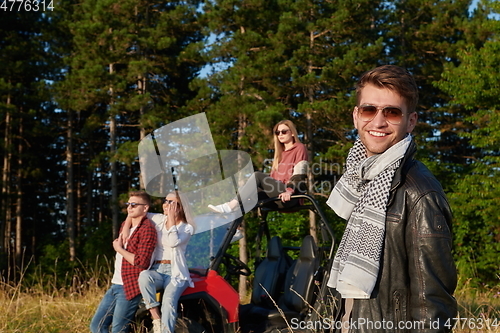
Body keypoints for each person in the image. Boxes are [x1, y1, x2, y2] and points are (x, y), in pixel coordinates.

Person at [326, 65, 457, 332]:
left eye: (392, 112)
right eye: (368, 110)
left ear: (411, 121)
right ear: (355, 116)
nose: (378, 122)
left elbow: (433, 306)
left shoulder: (419, 194)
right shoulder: (361, 181)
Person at [122, 191, 195, 333]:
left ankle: (165, 331)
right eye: (165, 201)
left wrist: (172, 220)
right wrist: (126, 228)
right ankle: (156, 319)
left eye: (171, 202)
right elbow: (135, 212)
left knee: (168, 302)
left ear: (180, 207)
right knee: (144, 276)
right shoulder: (159, 219)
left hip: (175, 272)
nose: (166, 205)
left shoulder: (187, 227)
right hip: (157, 269)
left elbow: (173, 242)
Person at [90, 191, 157, 333]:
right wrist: (126, 225)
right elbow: (130, 217)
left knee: (118, 329)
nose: (129, 208)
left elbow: (141, 262)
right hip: (116, 284)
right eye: (128, 204)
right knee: (97, 325)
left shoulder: (147, 229)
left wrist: (119, 249)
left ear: (145, 208)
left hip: (130, 285)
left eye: (134, 204)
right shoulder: (125, 226)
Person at [208, 119, 308, 213]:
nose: (280, 134)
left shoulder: (299, 148)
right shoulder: (279, 154)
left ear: (292, 132)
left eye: (284, 131)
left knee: (257, 176)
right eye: (278, 133)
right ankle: (233, 227)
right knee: (247, 196)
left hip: (290, 196)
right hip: (276, 194)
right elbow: (272, 179)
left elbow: (299, 173)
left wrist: (289, 191)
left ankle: (230, 206)